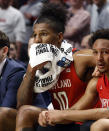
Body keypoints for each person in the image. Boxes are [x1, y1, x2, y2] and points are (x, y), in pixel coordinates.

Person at [14, 3, 96, 131]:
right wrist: (31, 71)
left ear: (59, 37)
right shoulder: (39, 65)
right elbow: (22, 105)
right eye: (34, 35)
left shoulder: (79, 58)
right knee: (20, 112)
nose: (37, 40)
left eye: (43, 34)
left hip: (81, 120)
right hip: (58, 119)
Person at [37, 28, 109, 130]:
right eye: (95, 52)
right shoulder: (96, 81)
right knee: (46, 127)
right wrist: (51, 115)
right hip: (101, 125)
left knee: (91, 126)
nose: (99, 58)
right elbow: (76, 109)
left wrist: (62, 115)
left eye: (105, 52)